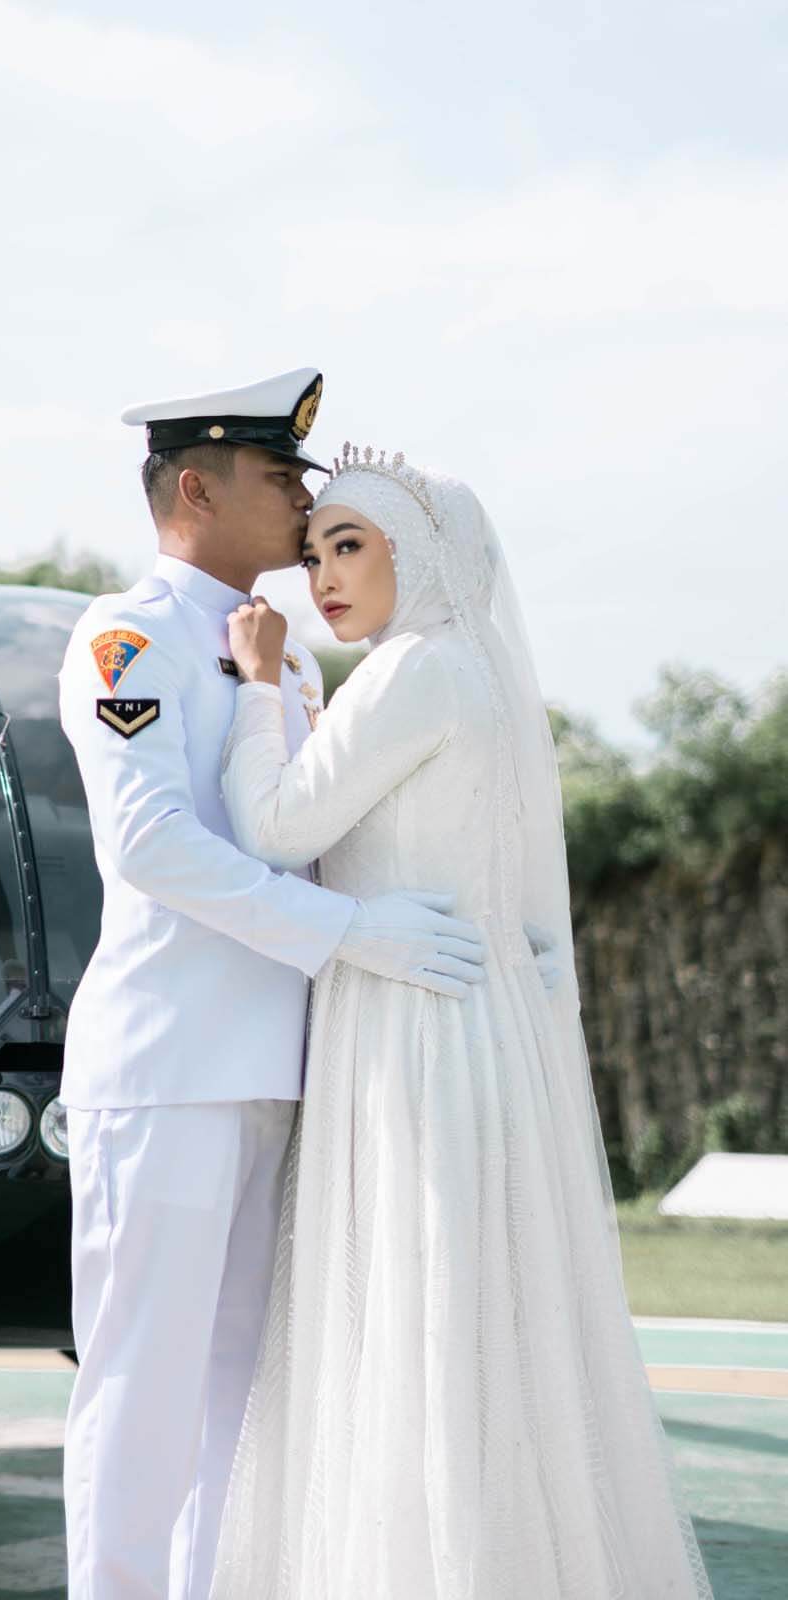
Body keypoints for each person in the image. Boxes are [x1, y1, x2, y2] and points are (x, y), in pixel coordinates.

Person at [209, 448, 714, 1599]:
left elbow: (276, 828)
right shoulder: (476, 674)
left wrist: (256, 686)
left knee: (413, 1307)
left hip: (409, 1025)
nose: (323, 577)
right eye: (314, 552)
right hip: (483, 1027)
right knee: (482, 1310)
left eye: (350, 546)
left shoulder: (408, 671)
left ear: (422, 559)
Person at [56, 379, 488, 1600]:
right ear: (195, 487)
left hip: (278, 1063)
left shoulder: (284, 656)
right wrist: (347, 932)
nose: (305, 499)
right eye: (279, 475)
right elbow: (151, 844)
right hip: (169, 1066)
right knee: (141, 1390)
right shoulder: (126, 635)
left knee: (242, 1404)